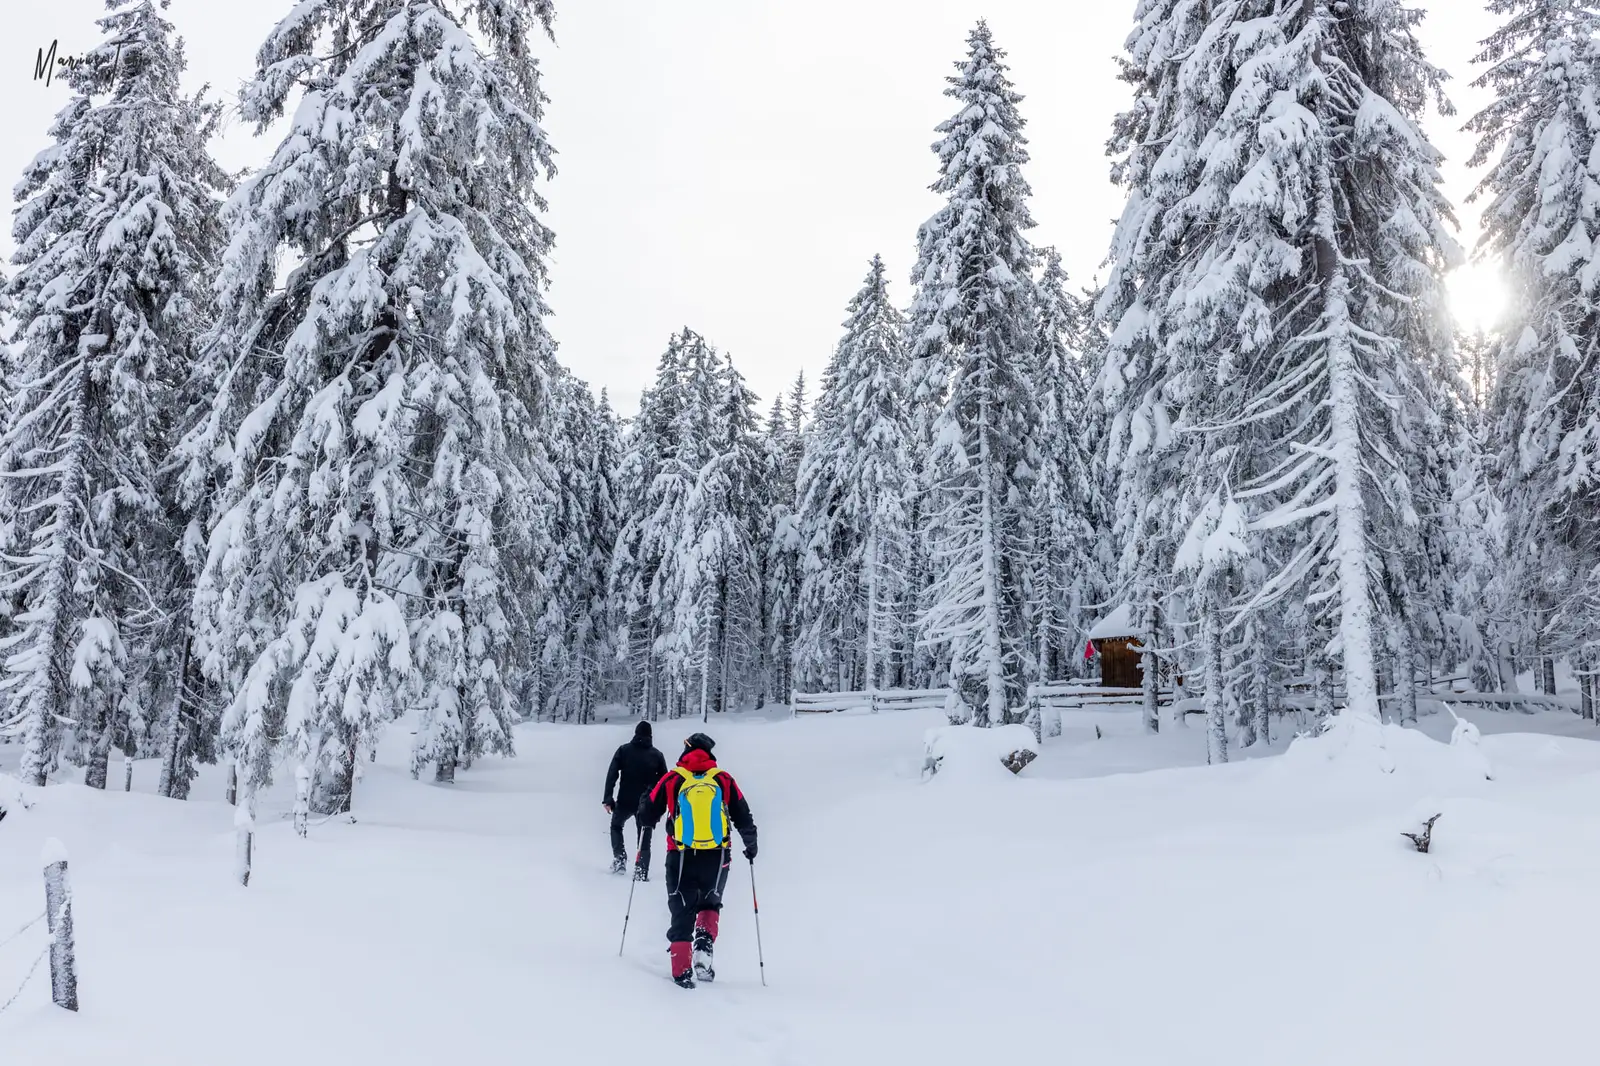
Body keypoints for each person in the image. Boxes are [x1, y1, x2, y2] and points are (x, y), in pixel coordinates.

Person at [637, 732, 757, 988]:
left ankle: (681, 973)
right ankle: (703, 947)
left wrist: (646, 796)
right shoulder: (723, 779)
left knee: (681, 910)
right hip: (718, 855)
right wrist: (751, 845)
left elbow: (646, 817)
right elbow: (743, 815)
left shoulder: (673, 778)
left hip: (680, 855)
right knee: (710, 903)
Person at [603, 721, 668, 880]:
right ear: (650, 736)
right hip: (647, 804)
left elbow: (612, 774)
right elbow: (665, 783)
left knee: (616, 826)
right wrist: (660, 807)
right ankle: (641, 870)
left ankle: (620, 858)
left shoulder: (624, 750)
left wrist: (608, 798)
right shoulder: (657, 755)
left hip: (625, 799)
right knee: (644, 836)